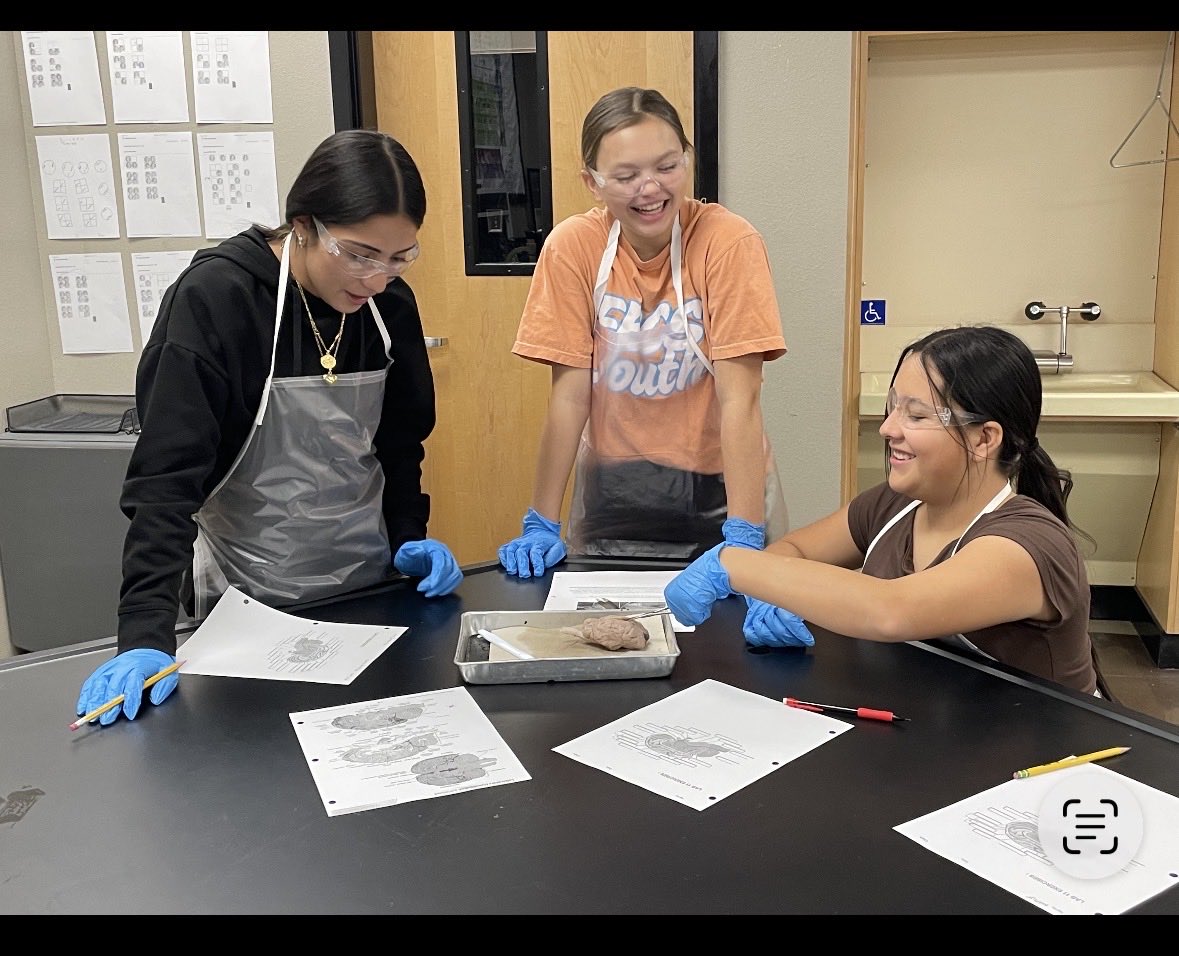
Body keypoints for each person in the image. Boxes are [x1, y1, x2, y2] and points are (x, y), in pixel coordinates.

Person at [76, 129, 463, 727]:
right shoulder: (216, 301)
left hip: (365, 595)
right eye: (359, 254)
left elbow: (399, 444)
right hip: (242, 607)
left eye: (399, 257)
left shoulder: (390, 308)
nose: (376, 280)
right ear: (303, 225)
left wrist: (410, 533)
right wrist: (144, 632)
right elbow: (165, 483)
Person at [497, 86, 805, 645]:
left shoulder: (728, 243)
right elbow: (570, 395)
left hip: (720, 487)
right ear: (591, 180)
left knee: (726, 653)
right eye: (626, 175)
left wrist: (744, 536)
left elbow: (742, 398)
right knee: (605, 645)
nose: (650, 188)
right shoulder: (574, 247)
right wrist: (541, 516)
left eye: (667, 166)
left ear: (688, 157)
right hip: (614, 489)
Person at [663, 325, 1100, 695]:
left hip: (1045, 765)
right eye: (892, 407)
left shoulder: (1028, 545)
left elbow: (891, 610)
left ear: (985, 439)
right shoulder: (897, 504)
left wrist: (733, 564)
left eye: (917, 416)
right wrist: (772, 595)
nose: (888, 428)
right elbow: (794, 549)